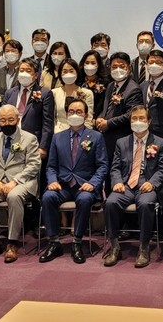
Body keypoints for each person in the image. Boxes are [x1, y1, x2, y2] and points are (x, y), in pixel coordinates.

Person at [39, 98, 108, 264]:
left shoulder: (96, 136)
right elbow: (51, 166)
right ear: (66, 114)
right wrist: (52, 181)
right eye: (71, 111)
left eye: (79, 112)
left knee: (84, 199)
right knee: (47, 197)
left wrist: (93, 183)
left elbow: (103, 166)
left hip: (85, 185)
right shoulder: (57, 137)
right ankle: (54, 242)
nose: (74, 114)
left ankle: (77, 242)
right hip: (62, 185)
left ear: (86, 115)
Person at [103, 105, 163, 268]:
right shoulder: (121, 142)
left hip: (146, 184)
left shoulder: (160, 142)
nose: (138, 122)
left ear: (149, 121)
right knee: (110, 203)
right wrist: (117, 181)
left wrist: (152, 183)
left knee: (146, 204)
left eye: (141, 118)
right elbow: (115, 167)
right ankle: (114, 246)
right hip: (125, 185)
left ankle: (144, 247)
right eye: (134, 119)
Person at [0, 104, 40, 264]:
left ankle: (12, 242)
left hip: (22, 182)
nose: (7, 123)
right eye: (3, 120)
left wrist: (15, 181)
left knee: (14, 196)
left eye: (11, 119)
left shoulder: (29, 138)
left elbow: (34, 165)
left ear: (17, 119)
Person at [94, 52, 144, 167]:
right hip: (106, 138)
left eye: (122, 66)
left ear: (129, 68)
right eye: (114, 66)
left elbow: (131, 115)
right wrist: (100, 118)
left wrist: (108, 123)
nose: (118, 69)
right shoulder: (111, 85)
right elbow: (106, 107)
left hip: (121, 138)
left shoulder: (133, 89)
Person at [2, 58, 54, 161]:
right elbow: (1, 118)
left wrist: (43, 147)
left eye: (28, 70)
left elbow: (47, 123)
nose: (24, 73)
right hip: (9, 138)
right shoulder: (9, 93)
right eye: (21, 70)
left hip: (32, 142)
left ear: (36, 75)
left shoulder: (45, 94)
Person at [52, 59, 94, 133]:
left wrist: (85, 135)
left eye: (71, 71)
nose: (68, 74)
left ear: (77, 72)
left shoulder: (87, 93)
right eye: (65, 71)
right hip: (59, 131)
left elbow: (88, 119)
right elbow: (52, 118)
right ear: (60, 74)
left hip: (81, 132)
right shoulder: (54, 93)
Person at [80, 50, 109, 119]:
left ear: (98, 65)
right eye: (87, 63)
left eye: (93, 63)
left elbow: (103, 104)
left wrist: (95, 118)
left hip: (97, 119)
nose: (89, 65)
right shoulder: (79, 81)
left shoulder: (105, 82)